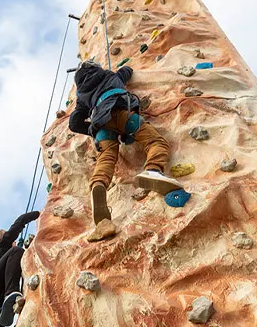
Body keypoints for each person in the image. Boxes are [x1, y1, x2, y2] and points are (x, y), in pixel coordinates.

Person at [68, 60, 183, 225]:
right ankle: (153, 170)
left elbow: (74, 123)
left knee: (106, 157)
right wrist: (119, 72)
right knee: (155, 142)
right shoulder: (110, 75)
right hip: (121, 112)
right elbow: (127, 70)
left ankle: (98, 185)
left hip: (100, 125)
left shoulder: (82, 95)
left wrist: (92, 129)